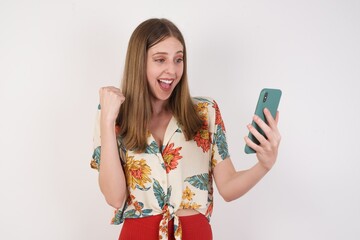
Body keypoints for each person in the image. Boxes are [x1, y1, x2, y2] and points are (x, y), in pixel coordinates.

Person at [90, 18, 281, 240]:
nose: (172, 70)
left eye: (178, 59)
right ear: (138, 62)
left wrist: (264, 165)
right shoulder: (113, 113)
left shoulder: (205, 111)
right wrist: (107, 120)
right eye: (160, 60)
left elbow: (228, 187)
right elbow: (114, 197)